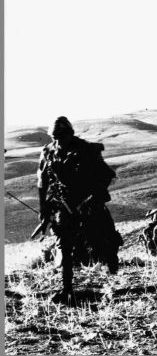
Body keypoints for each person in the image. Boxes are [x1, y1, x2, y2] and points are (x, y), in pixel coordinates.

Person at [37, 116, 122, 303]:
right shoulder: (48, 152)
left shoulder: (87, 149)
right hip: (63, 205)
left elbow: (106, 176)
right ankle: (67, 290)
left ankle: (112, 267)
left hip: (88, 203)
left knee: (104, 239)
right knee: (64, 245)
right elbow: (42, 183)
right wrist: (44, 210)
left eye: (62, 136)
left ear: (70, 133)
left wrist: (91, 199)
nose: (58, 141)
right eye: (54, 137)